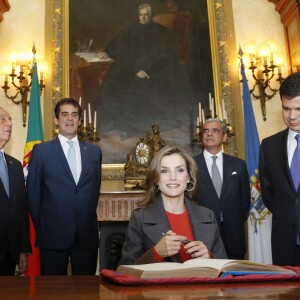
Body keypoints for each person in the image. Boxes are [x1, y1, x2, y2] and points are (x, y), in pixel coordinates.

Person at [97, 3, 194, 141]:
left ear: (150, 16)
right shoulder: (130, 30)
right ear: (138, 15)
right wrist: (106, 51)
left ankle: (134, 128)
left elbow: (163, 56)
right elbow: (117, 43)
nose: (143, 17)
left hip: (153, 72)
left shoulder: (161, 33)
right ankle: (119, 124)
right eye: (141, 15)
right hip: (132, 69)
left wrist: (147, 71)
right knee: (112, 84)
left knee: (140, 87)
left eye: (146, 15)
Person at [27, 98, 102, 275]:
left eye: (75, 115)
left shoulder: (94, 152)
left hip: (86, 235)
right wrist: (46, 225)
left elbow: (93, 192)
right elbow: (33, 195)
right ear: (56, 120)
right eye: (65, 114)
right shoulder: (41, 151)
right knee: (52, 291)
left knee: (86, 292)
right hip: (52, 234)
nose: (70, 119)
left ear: (80, 121)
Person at [119, 145, 227, 265]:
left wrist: (210, 258)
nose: (173, 177)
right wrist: (156, 253)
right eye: (164, 171)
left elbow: (226, 270)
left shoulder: (207, 216)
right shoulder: (140, 218)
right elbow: (124, 272)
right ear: (156, 180)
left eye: (180, 170)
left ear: (188, 177)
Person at [259, 72, 300, 266]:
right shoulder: (269, 146)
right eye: (286, 108)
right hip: (285, 246)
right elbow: (268, 195)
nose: (292, 116)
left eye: (299, 109)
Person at [195, 118, 250, 260]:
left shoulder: (238, 165)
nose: (209, 134)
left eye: (215, 130)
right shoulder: (191, 165)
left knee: (235, 280)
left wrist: (233, 218)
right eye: (205, 131)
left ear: (224, 136)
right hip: (202, 238)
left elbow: (244, 201)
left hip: (234, 236)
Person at [0, 107, 31, 275]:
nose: (10, 124)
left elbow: (20, 210)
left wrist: (22, 249)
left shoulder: (16, 165)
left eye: (10, 119)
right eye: (2, 119)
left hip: (10, 254)